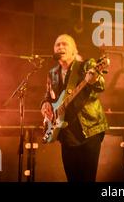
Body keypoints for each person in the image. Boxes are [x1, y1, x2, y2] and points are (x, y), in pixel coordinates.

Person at [40, 34, 109, 182]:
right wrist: (45, 104)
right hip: (66, 134)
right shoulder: (52, 73)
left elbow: (101, 85)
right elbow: (48, 96)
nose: (60, 47)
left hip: (89, 131)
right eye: (57, 45)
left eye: (65, 44)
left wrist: (94, 78)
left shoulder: (86, 65)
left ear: (74, 51)